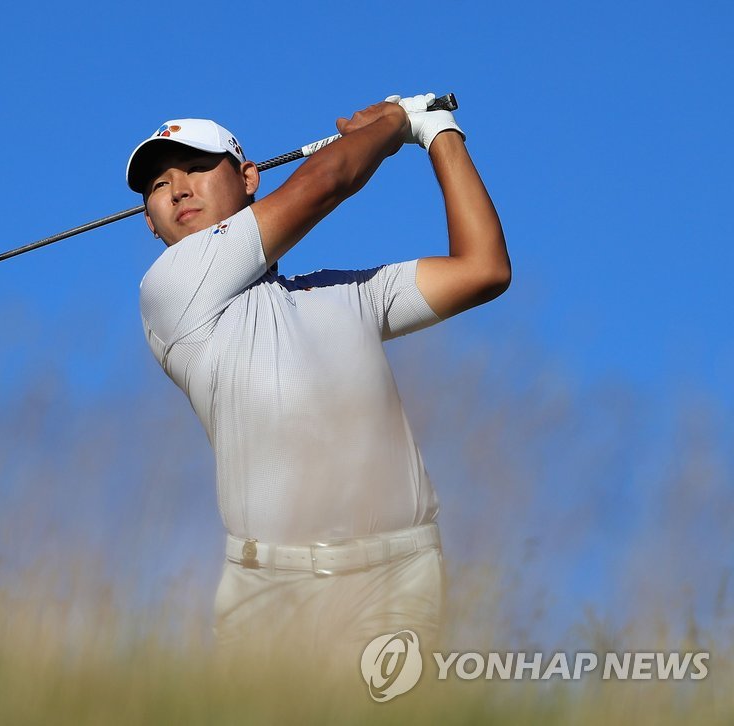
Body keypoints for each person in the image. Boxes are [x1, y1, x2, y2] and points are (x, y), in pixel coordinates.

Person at [126, 94, 509, 672]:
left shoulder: (344, 293)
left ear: (249, 179)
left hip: (400, 578)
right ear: (150, 223)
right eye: (158, 185)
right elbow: (326, 181)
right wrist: (395, 125)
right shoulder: (171, 287)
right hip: (271, 590)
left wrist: (439, 133)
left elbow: (484, 269)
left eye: (197, 168)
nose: (178, 189)